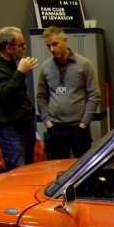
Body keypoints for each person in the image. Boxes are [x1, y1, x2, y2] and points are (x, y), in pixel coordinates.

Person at [36, 26, 101, 159]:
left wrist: (84, 123)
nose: (52, 49)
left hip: (78, 127)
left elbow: (94, 95)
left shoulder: (84, 64)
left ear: (65, 40)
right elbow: (41, 96)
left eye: (55, 44)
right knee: (55, 167)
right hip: (55, 127)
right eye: (48, 46)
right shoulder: (45, 67)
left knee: (82, 166)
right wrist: (47, 122)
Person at [0, 26, 38, 170]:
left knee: (29, 170)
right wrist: (20, 72)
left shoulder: (13, 64)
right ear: (8, 48)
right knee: (18, 170)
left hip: (25, 124)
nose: (24, 48)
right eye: (21, 45)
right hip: (9, 128)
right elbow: (4, 96)